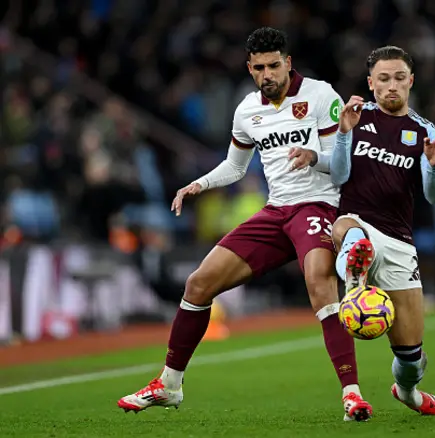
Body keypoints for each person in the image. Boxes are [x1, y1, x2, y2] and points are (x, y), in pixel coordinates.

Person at [117, 27, 373, 422]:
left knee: (320, 285)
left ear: (288, 63)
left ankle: (352, 395)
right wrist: (198, 184)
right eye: (259, 68)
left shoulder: (322, 96)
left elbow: (342, 166)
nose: (267, 74)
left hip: (317, 207)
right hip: (275, 213)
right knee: (198, 284)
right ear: (250, 69)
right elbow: (236, 167)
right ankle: (169, 384)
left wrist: (313, 156)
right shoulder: (247, 111)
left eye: (274, 65)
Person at [290, 45, 435, 415]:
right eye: (383, 79)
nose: (391, 86)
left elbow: (434, 196)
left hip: (398, 241)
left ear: (411, 81)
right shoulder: (356, 118)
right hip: (357, 221)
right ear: (370, 83)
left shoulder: (423, 130)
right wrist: (335, 141)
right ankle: (355, 286)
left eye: (399, 78)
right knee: (348, 230)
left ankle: (408, 392)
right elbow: (343, 173)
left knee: (411, 357)